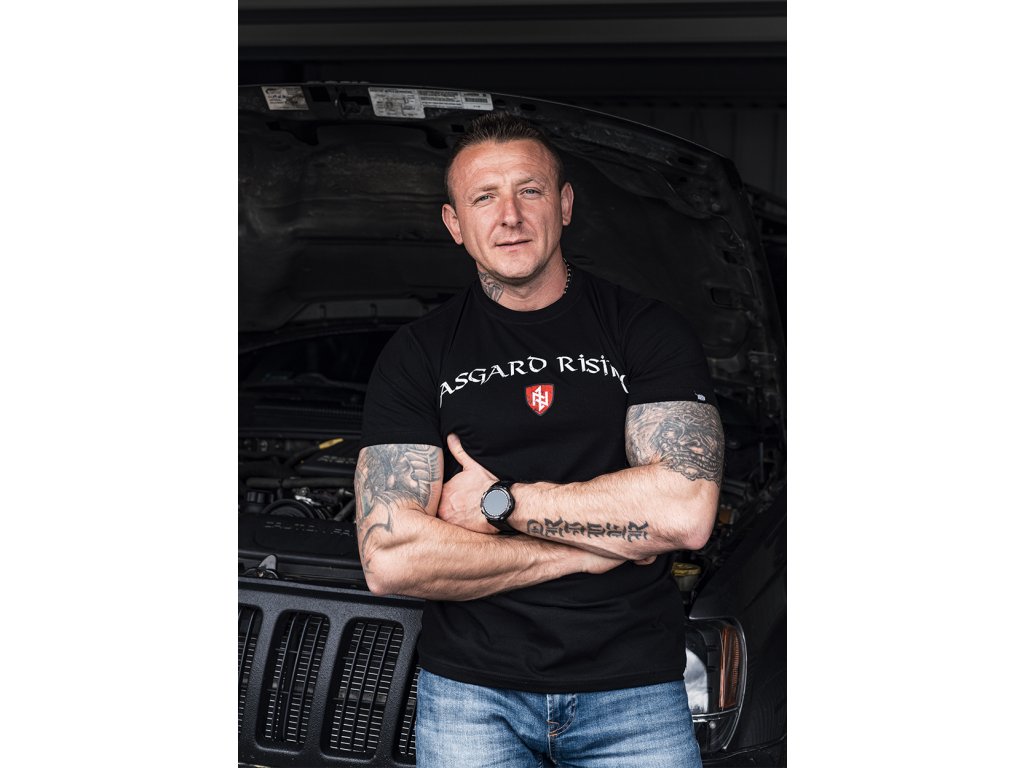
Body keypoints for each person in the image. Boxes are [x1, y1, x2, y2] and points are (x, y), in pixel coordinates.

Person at [354, 110, 724, 767]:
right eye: (484, 198)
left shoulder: (646, 330)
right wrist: (586, 552)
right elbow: (391, 558)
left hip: (633, 691)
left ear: (565, 204)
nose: (510, 216)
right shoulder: (417, 354)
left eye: (529, 190)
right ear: (454, 224)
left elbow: (684, 512)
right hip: (471, 697)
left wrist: (501, 502)